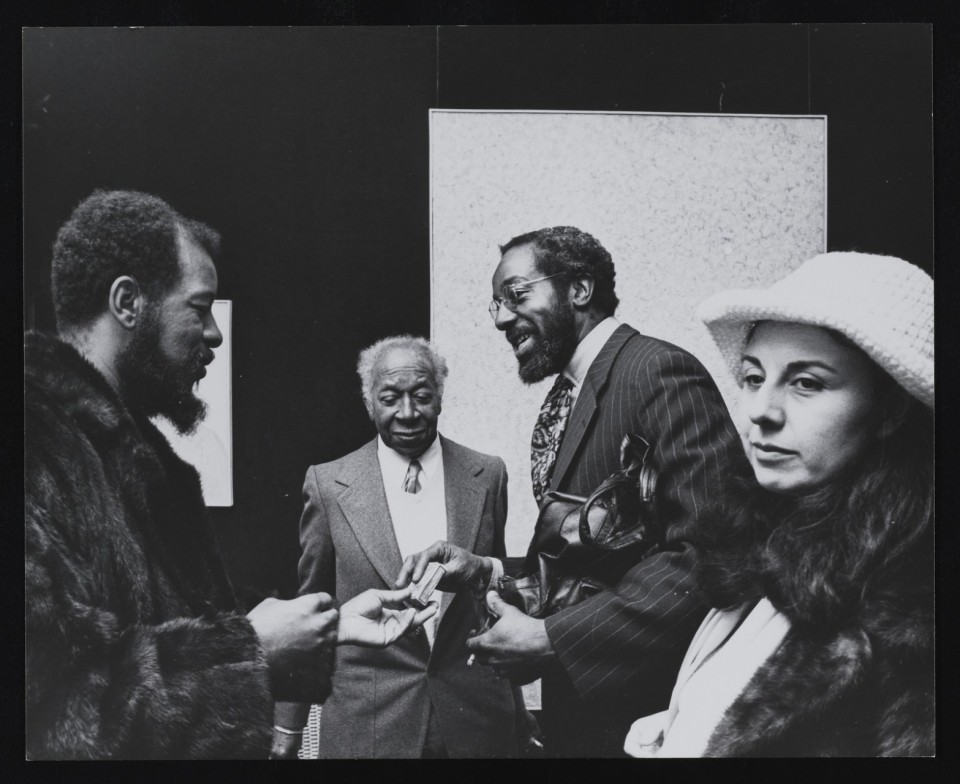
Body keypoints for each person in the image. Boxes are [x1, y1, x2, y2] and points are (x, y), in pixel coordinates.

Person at [25, 190, 434, 760]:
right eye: (199, 307)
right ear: (127, 303)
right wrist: (253, 654)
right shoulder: (32, 447)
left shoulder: (140, 460)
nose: (215, 334)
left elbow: (176, 631)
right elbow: (49, 721)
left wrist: (329, 626)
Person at [401, 226, 747, 757]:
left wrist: (552, 639)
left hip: (644, 724)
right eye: (495, 304)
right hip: (588, 724)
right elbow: (589, 562)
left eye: (517, 295)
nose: (500, 318)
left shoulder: (656, 372)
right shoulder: (574, 391)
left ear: (579, 290)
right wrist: (484, 571)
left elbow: (716, 551)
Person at [623, 251, 934, 757]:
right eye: (752, 377)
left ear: (891, 410)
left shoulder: (912, 616)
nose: (760, 411)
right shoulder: (770, 545)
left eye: (806, 383)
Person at [272, 336, 528, 759]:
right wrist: (287, 726)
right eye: (390, 398)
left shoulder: (488, 474)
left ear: (440, 398)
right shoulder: (328, 485)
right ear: (369, 401)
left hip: (477, 722)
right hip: (367, 726)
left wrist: (518, 710)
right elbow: (310, 610)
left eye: (422, 396)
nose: (407, 413)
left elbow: (496, 599)